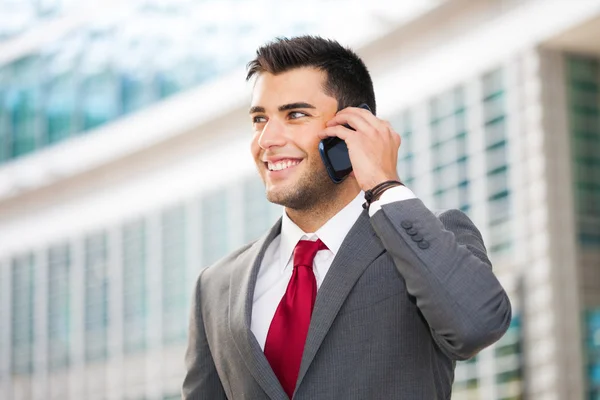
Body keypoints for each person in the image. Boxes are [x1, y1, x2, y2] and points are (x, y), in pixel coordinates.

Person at [182, 35, 511, 400]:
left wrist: (385, 185)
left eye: (295, 115)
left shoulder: (428, 239)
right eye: (260, 119)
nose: (267, 139)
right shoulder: (215, 286)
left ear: (354, 129)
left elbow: (478, 325)